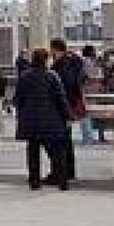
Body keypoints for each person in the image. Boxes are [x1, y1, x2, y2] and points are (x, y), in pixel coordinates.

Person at [14, 48, 70, 191]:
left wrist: (21, 115)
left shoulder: (24, 76)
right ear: (45, 59)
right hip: (50, 120)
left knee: (33, 151)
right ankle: (62, 181)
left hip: (30, 121)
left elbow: (18, 99)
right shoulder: (52, 76)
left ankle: (34, 181)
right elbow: (61, 98)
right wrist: (67, 116)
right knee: (56, 152)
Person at [49, 39, 83, 182]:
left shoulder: (60, 67)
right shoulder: (72, 64)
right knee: (66, 141)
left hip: (61, 108)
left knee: (58, 142)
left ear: (56, 50)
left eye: (52, 50)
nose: (51, 53)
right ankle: (68, 171)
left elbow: (62, 89)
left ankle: (60, 173)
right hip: (68, 106)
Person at [78, 45, 102, 145]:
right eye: (93, 51)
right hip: (88, 90)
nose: (95, 53)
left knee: (88, 113)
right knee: (86, 113)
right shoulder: (86, 62)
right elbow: (89, 76)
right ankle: (88, 137)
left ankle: (90, 136)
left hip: (91, 90)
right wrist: (97, 78)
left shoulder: (91, 62)